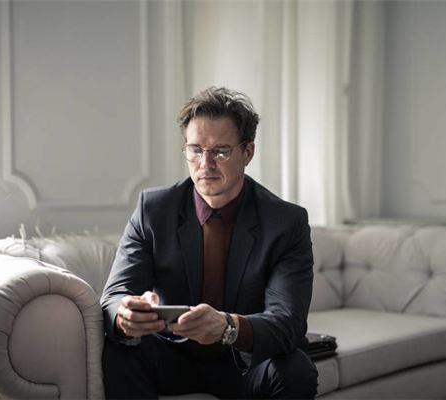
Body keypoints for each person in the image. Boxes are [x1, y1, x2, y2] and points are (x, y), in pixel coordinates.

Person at [101, 86, 317, 399]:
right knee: (120, 349)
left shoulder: (285, 222)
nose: (205, 164)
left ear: (248, 152)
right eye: (195, 150)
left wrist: (229, 327)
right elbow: (114, 296)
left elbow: (288, 322)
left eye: (220, 151)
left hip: (244, 364)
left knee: (295, 369)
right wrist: (125, 315)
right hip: (172, 356)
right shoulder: (154, 210)